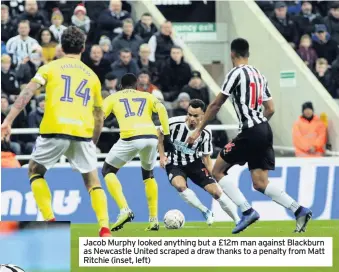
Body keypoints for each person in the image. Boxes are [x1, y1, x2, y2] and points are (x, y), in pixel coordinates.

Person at [186, 38, 312, 234]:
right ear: (248, 53)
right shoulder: (259, 75)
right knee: (260, 183)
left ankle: (247, 211)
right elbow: (270, 108)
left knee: (216, 170)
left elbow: (216, 105)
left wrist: (198, 130)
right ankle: (299, 210)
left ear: (232, 54)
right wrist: (258, 124)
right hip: (264, 130)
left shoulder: (235, 74)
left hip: (251, 132)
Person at [1, 26, 112, 238]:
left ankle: (50, 219)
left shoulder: (50, 68)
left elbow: (28, 92)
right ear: (83, 48)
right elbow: (99, 116)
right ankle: (104, 228)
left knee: (34, 170)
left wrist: (8, 120)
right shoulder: (92, 77)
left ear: (61, 47)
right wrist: (93, 142)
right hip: (81, 132)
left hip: (54, 129)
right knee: (92, 181)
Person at [101, 73, 174, 232]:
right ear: (136, 87)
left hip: (131, 137)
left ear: (121, 86)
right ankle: (154, 220)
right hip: (151, 137)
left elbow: (100, 116)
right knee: (148, 175)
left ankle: (124, 209)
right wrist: (166, 136)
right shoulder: (147, 96)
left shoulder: (114, 97)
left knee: (108, 170)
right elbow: (162, 109)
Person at [158, 99, 240, 226]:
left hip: (195, 164)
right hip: (175, 163)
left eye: (195, 116)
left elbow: (206, 157)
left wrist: (215, 175)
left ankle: (238, 220)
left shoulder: (206, 132)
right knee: (180, 186)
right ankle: (205, 211)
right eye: (189, 114)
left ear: (203, 115)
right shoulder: (174, 123)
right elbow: (160, 133)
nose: (191, 118)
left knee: (216, 192)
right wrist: (162, 155)